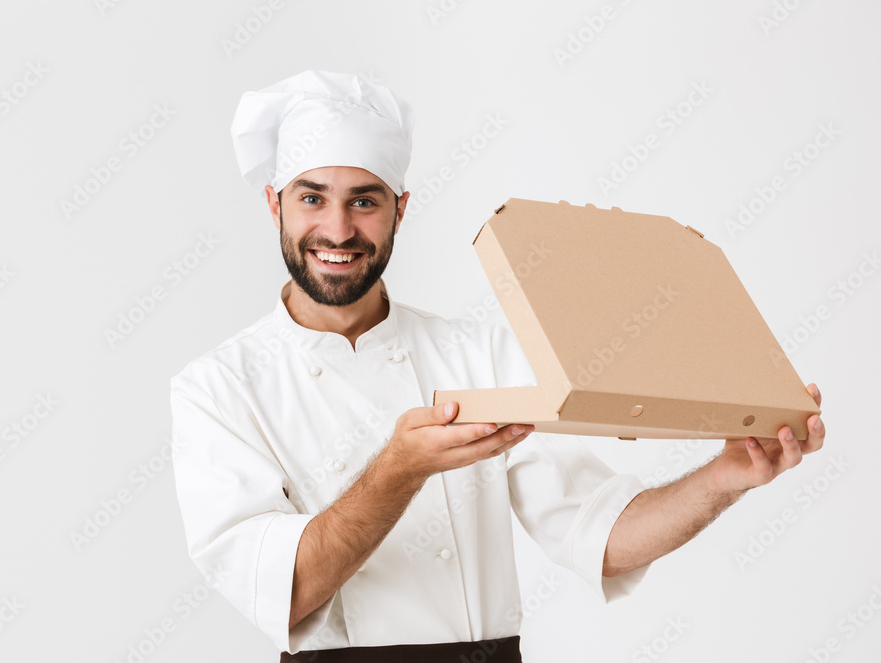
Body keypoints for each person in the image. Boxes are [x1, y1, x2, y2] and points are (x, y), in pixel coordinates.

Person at [169, 70, 826, 662]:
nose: (339, 229)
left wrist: (727, 475)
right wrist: (400, 467)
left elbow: (599, 533)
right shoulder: (217, 389)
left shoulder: (480, 355)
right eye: (312, 198)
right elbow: (287, 592)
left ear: (401, 208)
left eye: (364, 201)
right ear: (273, 204)